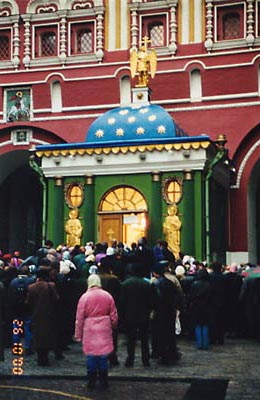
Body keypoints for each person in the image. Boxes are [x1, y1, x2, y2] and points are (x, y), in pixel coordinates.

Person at [74, 274, 118, 390]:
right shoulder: (107, 296)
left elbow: (79, 318)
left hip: (89, 328)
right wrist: (113, 325)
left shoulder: (84, 297)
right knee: (103, 355)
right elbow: (113, 314)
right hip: (104, 326)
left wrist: (78, 335)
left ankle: (91, 380)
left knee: (91, 355)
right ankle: (104, 380)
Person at [119, 262, 152, 367]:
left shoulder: (126, 284)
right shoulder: (147, 284)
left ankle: (130, 359)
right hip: (144, 315)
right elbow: (152, 301)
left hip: (130, 315)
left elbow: (122, 302)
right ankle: (145, 359)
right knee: (144, 339)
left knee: (131, 339)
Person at [26, 266, 60, 366]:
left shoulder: (31, 287)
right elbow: (57, 299)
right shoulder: (51, 286)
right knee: (48, 337)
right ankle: (45, 357)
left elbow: (28, 302)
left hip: (36, 315)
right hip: (49, 315)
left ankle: (40, 357)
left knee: (38, 336)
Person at [151, 260, 182, 365]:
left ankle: (162, 353)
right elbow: (177, 295)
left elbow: (153, 299)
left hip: (159, 312)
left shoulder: (155, 283)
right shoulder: (171, 282)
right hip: (169, 310)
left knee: (160, 334)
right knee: (169, 333)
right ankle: (171, 352)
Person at [188, 268, 211, 350]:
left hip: (196, 305)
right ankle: (205, 344)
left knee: (197, 325)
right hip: (206, 306)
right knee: (205, 325)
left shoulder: (194, 284)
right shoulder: (209, 284)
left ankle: (199, 343)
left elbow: (190, 296)